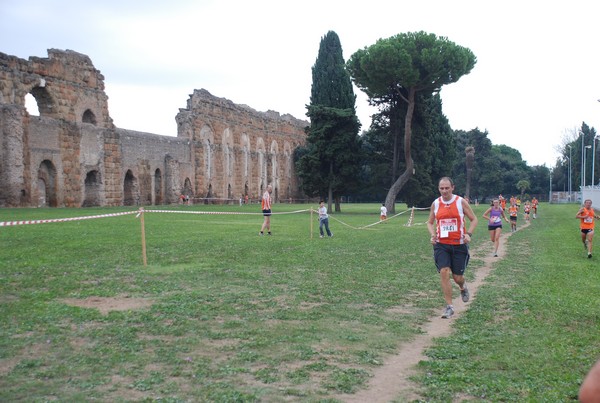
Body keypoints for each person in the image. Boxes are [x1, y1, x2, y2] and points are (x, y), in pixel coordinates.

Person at [427, 177, 478, 319]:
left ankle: (463, 287)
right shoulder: (436, 203)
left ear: (452, 187)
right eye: (441, 188)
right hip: (441, 244)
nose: (444, 191)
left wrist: (469, 234)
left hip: (459, 244)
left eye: (446, 188)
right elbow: (430, 222)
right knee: (444, 272)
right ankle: (449, 306)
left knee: (457, 277)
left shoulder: (460, 202)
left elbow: (474, 219)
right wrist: (433, 235)